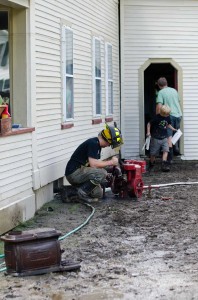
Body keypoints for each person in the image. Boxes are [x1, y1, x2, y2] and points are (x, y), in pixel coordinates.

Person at [65, 124, 123, 203]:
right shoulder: (93, 144)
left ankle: (69, 192)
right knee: (102, 173)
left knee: (98, 193)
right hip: (74, 173)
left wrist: (110, 169)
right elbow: (94, 165)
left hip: (80, 172)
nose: (109, 146)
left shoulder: (96, 144)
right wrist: (111, 162)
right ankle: (81, 194)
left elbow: (92, 166)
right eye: (110, 144)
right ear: (108, 140)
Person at [156, 77, 182, 163]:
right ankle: (176, 148)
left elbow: (159, 106)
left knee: (168, 136)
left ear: (159, 85)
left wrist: (157, 117)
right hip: (178, 114)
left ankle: (169, 158)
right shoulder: (174, 90)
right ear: (166, 83)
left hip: (169, 115)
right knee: (176, 132)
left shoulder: (161, 92)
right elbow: (178, 101)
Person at [147, 105, 177, 172]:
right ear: (163, 113)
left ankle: (164, 164)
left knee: (166, 150)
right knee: (153, 153)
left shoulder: (167, 117)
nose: (168, 115)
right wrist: (148, 132)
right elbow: (149, 124)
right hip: (155, 138)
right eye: (167, 114)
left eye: (168, 114)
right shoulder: (156, 118)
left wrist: (173, 129)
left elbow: (168, 124)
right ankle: (151, 164)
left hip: (164, 137)